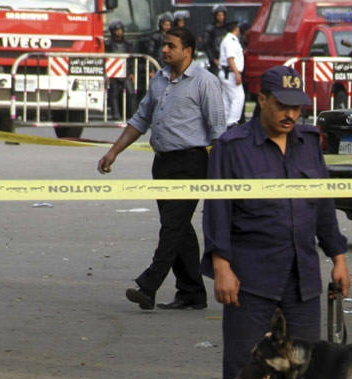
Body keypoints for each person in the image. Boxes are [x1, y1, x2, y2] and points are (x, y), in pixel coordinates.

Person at [202, 65, 350, 379]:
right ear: (261, 99)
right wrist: (221, 266)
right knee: (246, 375)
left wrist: (337, 255)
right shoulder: (232, 147)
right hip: (250, 276)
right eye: (283, 106)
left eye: (298, 108)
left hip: (302, 275)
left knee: (301, 377)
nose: (291, 115)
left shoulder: (309, 142)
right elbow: (217, 210)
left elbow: (322, 203)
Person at [97, 27, 226, 311]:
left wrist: (219, 172)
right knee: (179, 228)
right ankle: (192, 292)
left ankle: (149, 285)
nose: (164, 50)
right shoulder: (160, 80)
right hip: (163, 164)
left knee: (172, 227)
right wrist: (113, 152)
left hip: (191, 163)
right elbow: (140, 119)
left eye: (171, 46)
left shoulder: (205, 82)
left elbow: (219, 131)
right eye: (164, 45)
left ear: (187, 51)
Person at [105, 19, 136, 120]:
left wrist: (131, 73)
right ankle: (116, 115)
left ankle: (131, 114)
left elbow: (131, 59)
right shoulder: (108, 44)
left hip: (125, 71)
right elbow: (105, 59)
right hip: (113, 72)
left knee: (130, 92)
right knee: (114, 93)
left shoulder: (127, 44)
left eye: (120, 30)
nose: (119, 32)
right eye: (116, 30)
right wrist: (106, 73)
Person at [218, 21, 245, 128]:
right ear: (236, 29)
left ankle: (225, 125)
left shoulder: (228, 40)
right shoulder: (230, 40)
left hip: (227, 73)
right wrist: (237, 74)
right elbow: (230, 58)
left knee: (227, 99)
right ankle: (232, 123)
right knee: (238, 97)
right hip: (230, 73)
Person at [203, 4, 228, 76]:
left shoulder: (227, 29)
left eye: (222, 15)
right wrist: (213, 59)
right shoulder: (210, 29)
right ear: (215, 16)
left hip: (226, 59)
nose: (221, 17)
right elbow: (206, 46)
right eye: (219, 15)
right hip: (215, 60)